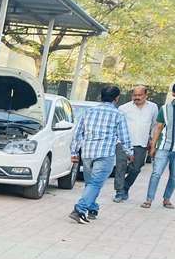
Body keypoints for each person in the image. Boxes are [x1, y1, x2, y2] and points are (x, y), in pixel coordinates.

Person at [69, 85, 131, 224]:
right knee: (96, 183)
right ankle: (79, 210)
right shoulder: (118, 114)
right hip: (105, 154)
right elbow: (124, 137)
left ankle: (92, 208)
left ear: (100, 97)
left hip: (87, 153)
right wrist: (129, 152)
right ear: (117, 98)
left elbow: (78, 133)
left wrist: (74, 151)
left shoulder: (89, 111)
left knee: (91, 183)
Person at [114, 85, 157, 201]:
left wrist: (152, 141)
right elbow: (116, 125)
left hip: (141, 143)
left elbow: (154, 126)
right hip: (123, 142)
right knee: (120, 167)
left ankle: (125, 186)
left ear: (145, 95)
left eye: (139, 95)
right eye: (134, 95)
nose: (137, 97)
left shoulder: (153, 107)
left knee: (136, 168)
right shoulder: (124, 108)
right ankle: (119, 192)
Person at [143, 82, 175, 209]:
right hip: (163, 147)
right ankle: (149, 199)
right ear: (173, 93)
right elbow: (158, 128)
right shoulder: (165, 109)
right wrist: (153, 146)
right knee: (156, 173)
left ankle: (166, 199)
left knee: (174, 177)